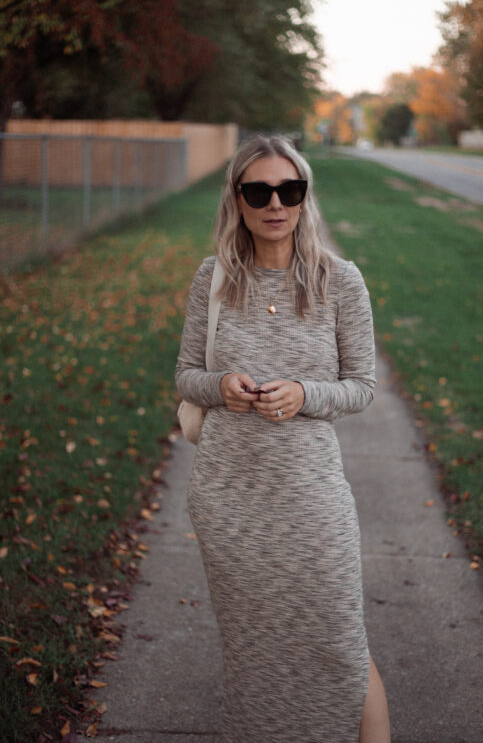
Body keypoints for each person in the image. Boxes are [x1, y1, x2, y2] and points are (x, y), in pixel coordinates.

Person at [175, 134, 391, 743]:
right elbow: (186, 375)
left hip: (310, 497)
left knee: (341, 646)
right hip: (231, 499)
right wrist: (222, 387)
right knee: (254, 655)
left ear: (304, 198)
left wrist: (305, 393)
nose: (276, 203)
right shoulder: (212, 280)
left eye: (289, 190)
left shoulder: (340, 282)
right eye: (259, 190)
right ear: (237, 200)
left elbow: (362, 385)